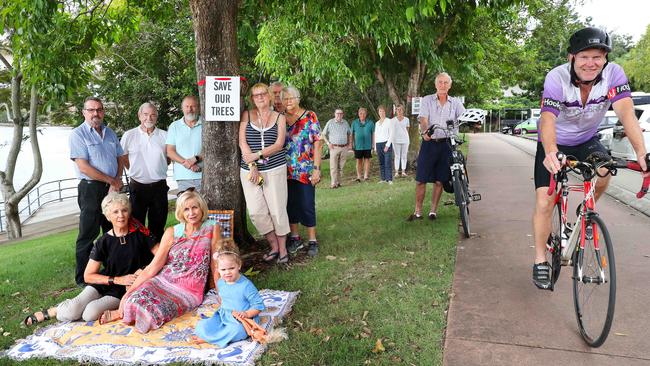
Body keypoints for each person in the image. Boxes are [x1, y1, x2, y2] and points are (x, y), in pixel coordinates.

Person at [532, 27, 649, 289]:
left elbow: (627, 114)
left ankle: (584, 210)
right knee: (545, 200)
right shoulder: (556, 78)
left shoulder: (613, 74)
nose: (591, 63)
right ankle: (540, 259)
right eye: (584, 56)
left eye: (598, 57)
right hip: (553, 140)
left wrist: (641, 153)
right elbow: (548, 118)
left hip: (586, 139)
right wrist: (551, 152)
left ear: (605, 58)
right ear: (572, 57)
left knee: (606, 169)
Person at [23, 193, 158, 325]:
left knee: (89, 314)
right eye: (115, 212)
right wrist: (117, 279)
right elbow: (88, 276)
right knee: (71, 312)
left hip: (125, 287)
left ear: (129, 212)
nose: (121, 215)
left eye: (124, 210)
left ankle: (93, 305)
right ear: (108, 216)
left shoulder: (141, 234)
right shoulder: (103, 241)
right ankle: (55, 310)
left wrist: (142, 270)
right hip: (105, 282)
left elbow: (162, 255)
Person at [101, 190, 221, 333]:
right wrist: (127, 294)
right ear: (181, 212)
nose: (191, 213)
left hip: (189, 289)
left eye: (195, 207)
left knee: (154, 311)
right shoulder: (172, 232)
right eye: (186, 209)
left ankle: (130, 314)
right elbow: (154, 267)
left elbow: (216, 263)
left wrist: (221, 292)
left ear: (201, 208)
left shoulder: (212, 227)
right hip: (164, 280)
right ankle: (121, 312)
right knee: (133, 298)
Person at [69, 96, 125, 286]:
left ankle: (113, 270)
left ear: (103, 111)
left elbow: (119, 158)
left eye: (99, 109)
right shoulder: (77, 134)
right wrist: (111, 180)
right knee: (88, 234)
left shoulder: (110, 133)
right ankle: (83, 279)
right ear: (84, 112)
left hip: (112, 189)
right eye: (91, 110)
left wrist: (116, 181)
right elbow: (83, 167)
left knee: (112, 230)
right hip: (91, 190)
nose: (96, 113)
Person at [239, 83, 291, 264]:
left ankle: (283, 249)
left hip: (274, 169)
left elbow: (279, 144)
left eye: (263, 94)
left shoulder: (279, 118)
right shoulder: (247, 115)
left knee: (277, 209)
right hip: (250, 172)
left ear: (269, 96)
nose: (260, 97)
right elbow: (242, 143)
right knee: (256, 211)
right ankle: (273, 245)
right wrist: (252, 163)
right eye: (255, 95)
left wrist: (258, 154)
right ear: (252, 99)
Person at [408, 72, 465, 221]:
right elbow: (423, 119)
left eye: (446, 83)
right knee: (421, 179)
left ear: (450, 85)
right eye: (440, 82)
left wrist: (474, 121)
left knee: (440, 180)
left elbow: (464, 117)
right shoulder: (427, 100)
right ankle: (418, 211)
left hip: (446, 144)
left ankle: (433, 211)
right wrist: (426, 130)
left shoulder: (456, 103)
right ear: (435, 84)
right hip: (429, 143)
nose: (443, 85)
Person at [193, 239, 265, 346]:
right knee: (201, 326)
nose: (227, 272)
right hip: (225, 316)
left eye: (231, 268)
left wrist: (246, 313)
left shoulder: (245, 285)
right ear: (217, 269)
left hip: (242, 320)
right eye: (223, 270)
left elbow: (259, 306)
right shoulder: (221, 282)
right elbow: (223, 299)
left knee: (238, 331)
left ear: (239, 265)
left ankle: (210, 339)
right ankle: (218, 336)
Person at [120, 102, 170, 243]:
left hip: (159, 186)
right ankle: (139, 256)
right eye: (146, 114)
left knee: (158, 224)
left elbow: (168, 158)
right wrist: (136, 170)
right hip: (137, 186)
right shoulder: (129, 135)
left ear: (157, 117)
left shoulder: (165, 135)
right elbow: (123, 158)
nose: (149, 118)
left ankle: (156, 257)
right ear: (139, 116)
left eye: (153, 115)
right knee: (136, 224)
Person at [283, 86, 322, 257]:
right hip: (285, 171)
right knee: (290, 204)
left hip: (305, 170)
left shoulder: (309, 116)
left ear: (298, 99)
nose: (288, 101)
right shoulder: (280, 118)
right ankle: (295, 237)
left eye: (291, 98)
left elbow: (318, 143)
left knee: (307, 204)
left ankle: (312, 240)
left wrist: (316, 169)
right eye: (285, 99)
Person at [166, 95, 203, 193]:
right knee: (186, 206)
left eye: (193, 106)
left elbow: (212, 149)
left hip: (205, 175)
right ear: (182, 108)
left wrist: (196, 158)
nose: (190, 109)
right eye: (187, 106)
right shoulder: (174, 126)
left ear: (198, 107)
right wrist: (188, 164)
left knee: (205, 207)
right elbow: (170, 151)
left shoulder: (206, 124)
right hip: (183, 177)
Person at [321, 108, 352, 188]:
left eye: (341, 113)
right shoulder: (330, 122)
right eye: (337, 113)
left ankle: (339, 182)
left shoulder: (345, 123)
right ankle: (333, 183)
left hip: (344, 147)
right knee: (333, 166)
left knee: (341, 166)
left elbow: (349, 133)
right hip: (334, 147)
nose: (339, 115)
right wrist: (328, 143)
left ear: (343, 115)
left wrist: (349, 144)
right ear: (335, 114)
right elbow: (323, 134)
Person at [350, 107, 375, 182]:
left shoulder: (370, 123)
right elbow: (352, 134)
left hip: (368, 145)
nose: (362, 115)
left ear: (366, 114)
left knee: (367, 160)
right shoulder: (354, 123)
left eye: (364, 113)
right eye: (361, 113)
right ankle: (358, 176)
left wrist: (373, 145)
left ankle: (366, 176)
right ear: (358, 114)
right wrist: (351, 145)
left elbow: (373, 134)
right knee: (359, 161)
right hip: (358, 145)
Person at [374, 105, 394, 184]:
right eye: (380, 111)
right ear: (378, 112)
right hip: (378, 144)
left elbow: (391, 134)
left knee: (387, 162)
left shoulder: (389, 121)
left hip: (386, 143)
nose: (381, 113)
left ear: (385, 112)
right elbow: (376, 135)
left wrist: (387, 145)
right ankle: (383, 179)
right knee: (381, 162)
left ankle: (389, 179)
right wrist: (375, 147)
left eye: (383, 111)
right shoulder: (377, 123)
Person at [392, 104, 410, 176]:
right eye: (398, 109)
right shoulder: (393, 120)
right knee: (397, 155)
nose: (399, 111)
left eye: (400, 109)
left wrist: (404, 136)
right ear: (396, 111)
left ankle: (403, 171)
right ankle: (396, 172)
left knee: (404, 155)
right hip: (395, 140)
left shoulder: (406, 119)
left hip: (405, 140)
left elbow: (407, 130)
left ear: (403, 110)